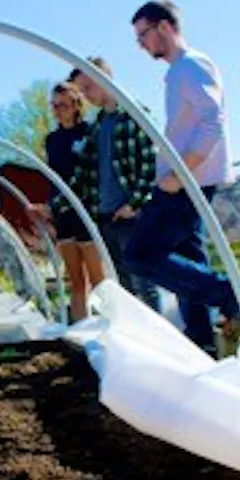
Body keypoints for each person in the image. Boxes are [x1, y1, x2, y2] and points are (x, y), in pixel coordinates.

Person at [126, 0, 240, 355]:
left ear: (164, 26)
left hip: (187, 183)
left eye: (143, 35)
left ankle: (230, 293)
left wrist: (180, 175)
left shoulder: (191, 65)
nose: (141, 45)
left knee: (140, 254)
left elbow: (212, 123)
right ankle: (201, 338)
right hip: (184, 180)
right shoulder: (178, 72)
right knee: (188, 259)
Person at [70, 57, 161, 312]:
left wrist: (135, 204)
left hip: (131, 214)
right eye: (82, 90)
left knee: (144, 282)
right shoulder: (98, 125)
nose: (86, 96)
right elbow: (86, 173)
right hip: (107, 214)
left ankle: (157, 333)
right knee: (124, 285)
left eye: (88, 87)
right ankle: (135, 333)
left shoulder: (134, 114)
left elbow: (152, 163)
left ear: (104, 78)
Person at [32, 81, 103, 322]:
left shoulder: (90, 132)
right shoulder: (52, 140)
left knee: (99, 279)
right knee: (75, 280)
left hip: (87, 210)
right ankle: (80, 326)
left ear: (75, 105)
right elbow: (52, 179)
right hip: (62, 214)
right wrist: (50, 208)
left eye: (63, 105)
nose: (58, 110)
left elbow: (88, 175)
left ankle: (109, 325)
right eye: (54, 105)